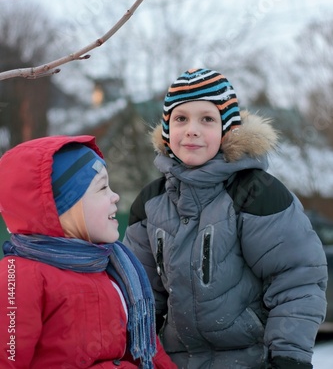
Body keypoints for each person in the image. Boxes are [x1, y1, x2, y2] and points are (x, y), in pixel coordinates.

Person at [123, 68, 328, 369]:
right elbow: (140, 292)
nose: (192, 129)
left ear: (227, 128)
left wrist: (289, 357)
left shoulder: (256, 192)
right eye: (181, 119)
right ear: (167, 130)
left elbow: (296, 280)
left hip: (252, 359)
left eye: (206, 119)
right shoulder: (152, 203)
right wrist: (135, 349)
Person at [0, 134, 177, 369]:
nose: (115, 197)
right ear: (64, 207)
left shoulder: (115, 268)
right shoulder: (19, 277)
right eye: (102, 187)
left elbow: (148, 351)